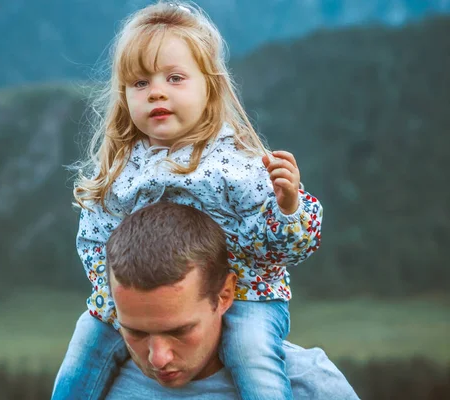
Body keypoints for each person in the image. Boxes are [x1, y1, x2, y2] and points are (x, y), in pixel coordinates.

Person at [53, 2, 323, 399]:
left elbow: (282, 253)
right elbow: (95, 238)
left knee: (251, 356)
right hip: (141, 304)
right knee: (83, 349)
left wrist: (287, 209)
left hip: (247, 293)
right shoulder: (121, 171)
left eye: (175, 78)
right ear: (124, 95)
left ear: (209, 87)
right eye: (140, 83)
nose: (156, 91)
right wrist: (113, 297)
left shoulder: (239, 165)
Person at [57, 202, 358, 399]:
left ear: (225, 295)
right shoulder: (93, 384)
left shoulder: (310, 385)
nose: (157, 358)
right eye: (135, 332)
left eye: (179, 330)